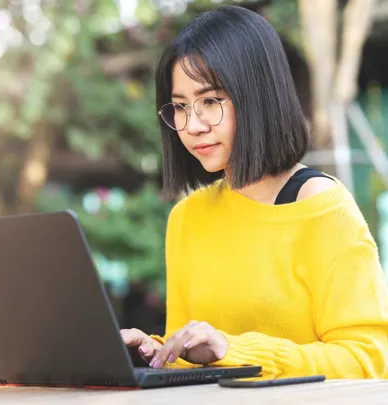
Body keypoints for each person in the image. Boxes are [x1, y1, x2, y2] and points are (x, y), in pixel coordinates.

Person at [120, 5, 388, 379]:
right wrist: (153, 351)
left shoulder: (323, 209)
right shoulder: (187, 218)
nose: (192, 125)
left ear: (258, 97)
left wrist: (235, 350)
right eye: (180, 106)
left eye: (210, 101)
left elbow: (369, 361)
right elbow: (187, 358)